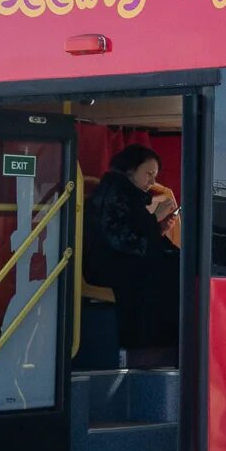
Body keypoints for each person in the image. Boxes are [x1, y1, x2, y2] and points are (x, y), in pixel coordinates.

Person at [84, 144, 181, 369]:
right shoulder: (114, 195)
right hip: (107, 264)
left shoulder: (128, 194)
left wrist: (158, 228)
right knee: (167, 272)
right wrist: (154, 219)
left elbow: (138, 237)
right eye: (148, 174)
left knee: (176, 262)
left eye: (154, 176)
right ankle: (152, 346)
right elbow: (121, 240)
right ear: (130, 170)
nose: (151, 181)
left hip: (122, 259)